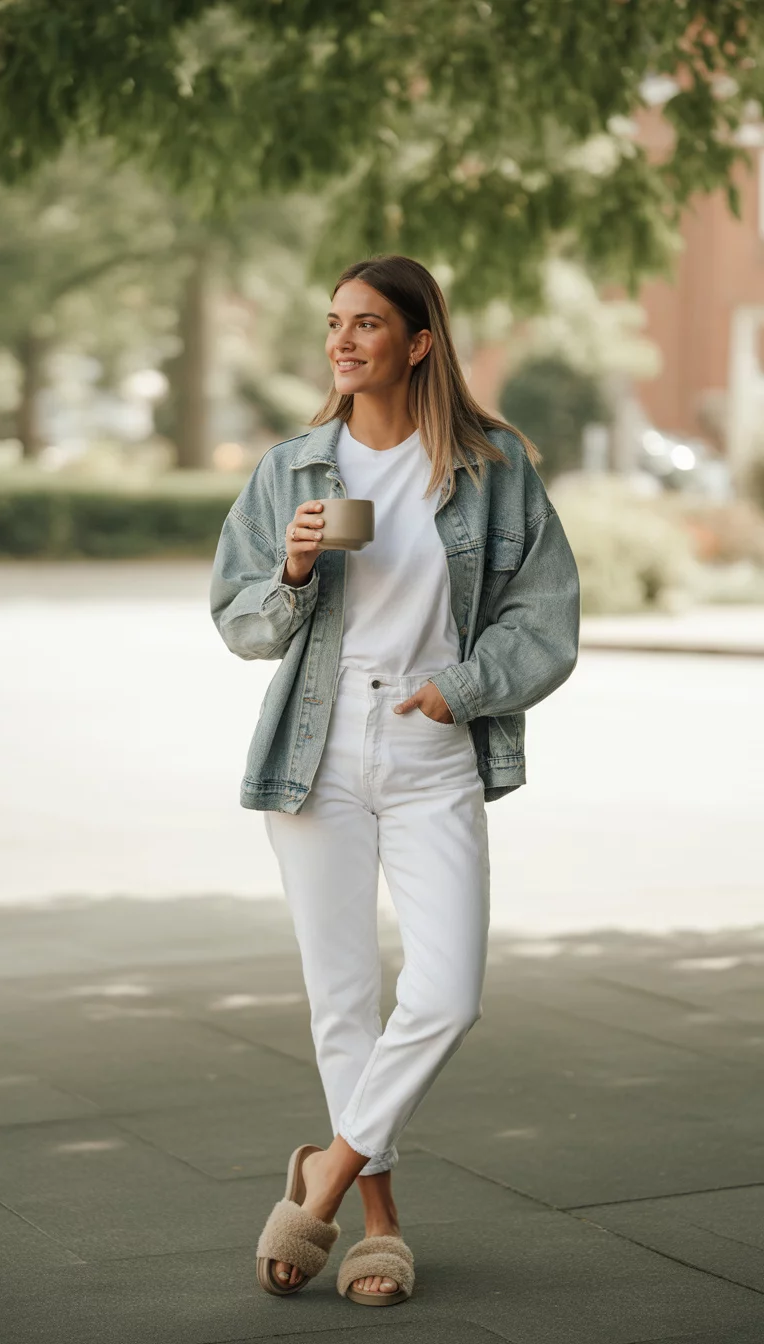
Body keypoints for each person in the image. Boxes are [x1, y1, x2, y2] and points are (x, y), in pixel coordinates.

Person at [210, 254, 580, 1307]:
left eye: (368, 323)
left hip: (430, 744)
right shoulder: (292, 469)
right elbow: (238, 621)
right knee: (342, 1003)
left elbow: (546, 619)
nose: (343, 340)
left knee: (448, 992)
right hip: (319, 749)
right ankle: (379, 1226)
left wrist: (460, 688)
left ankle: (320, 1181)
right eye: (334, 322)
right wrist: (288, 576)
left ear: (420, 342)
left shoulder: (493, 465)